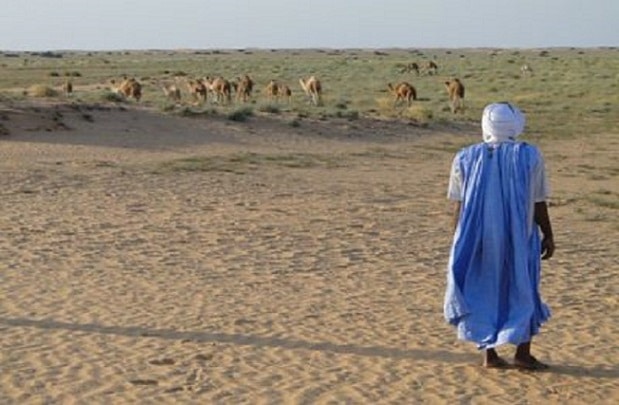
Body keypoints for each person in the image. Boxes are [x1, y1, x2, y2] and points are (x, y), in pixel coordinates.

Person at [444, 102, 555, 370]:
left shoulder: (465, 157)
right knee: (524, 285)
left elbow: (459, 204)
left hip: (479, 236)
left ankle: (489, 354)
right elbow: (539, 201)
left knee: (482, 286)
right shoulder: (529, 156)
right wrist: (548, 234)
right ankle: (522, 354)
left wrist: (458, 239)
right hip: (520, 234)